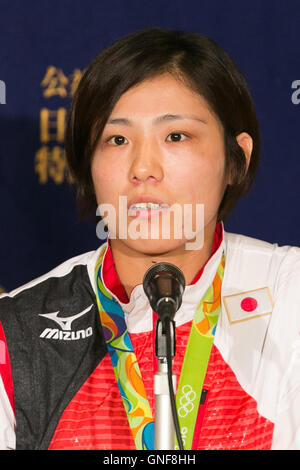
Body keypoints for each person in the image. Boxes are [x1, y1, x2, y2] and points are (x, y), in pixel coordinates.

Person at [0, 28, 299, 451]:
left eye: (175, 136)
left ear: (237, 159)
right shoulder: (16, 332)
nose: (143, 168)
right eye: (117, 139)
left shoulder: (292, 297)